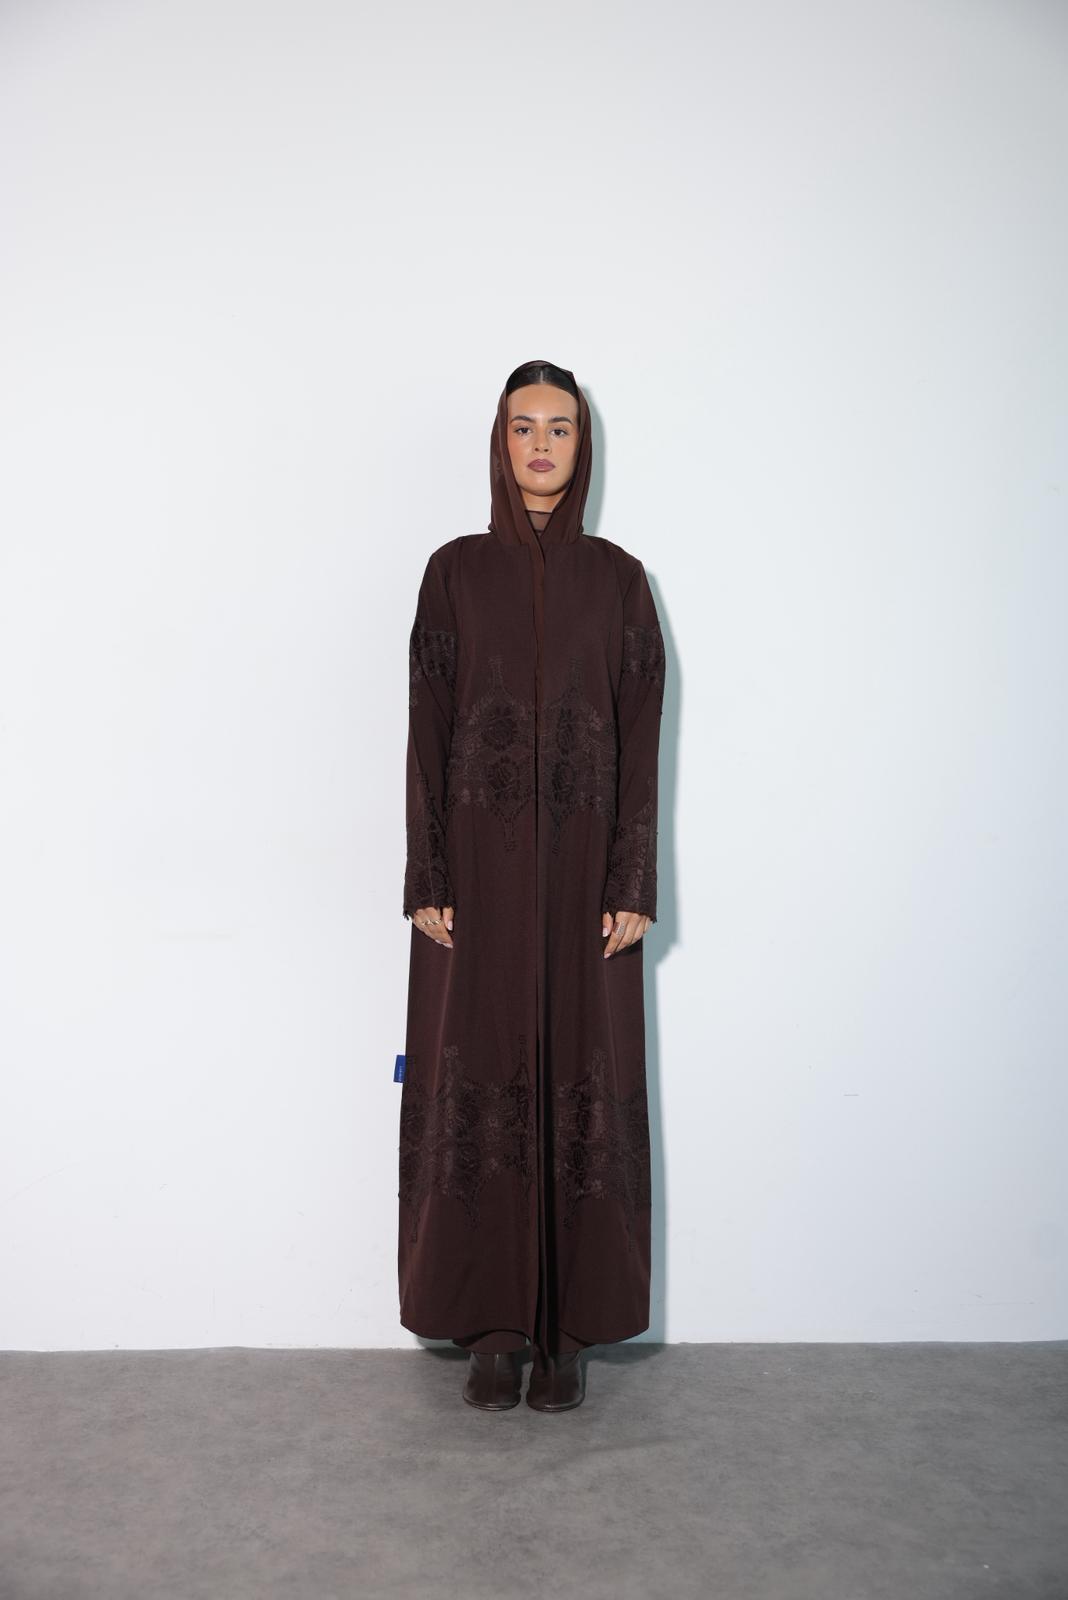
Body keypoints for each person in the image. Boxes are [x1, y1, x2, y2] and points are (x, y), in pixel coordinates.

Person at [398, 359, 665, 1413]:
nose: (542, 445)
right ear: (500, 442)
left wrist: (632, 876)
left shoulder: (620, 580)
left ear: (582, 445)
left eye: (560, 426)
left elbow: (640, 737)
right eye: (524, 426)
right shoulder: (454, 572)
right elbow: (425, 727)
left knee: (583, 1072)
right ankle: (491, 1331)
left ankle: (568, 1334)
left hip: (589, 882)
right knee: (476, 1070)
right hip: (474, 878)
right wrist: (427, 870)